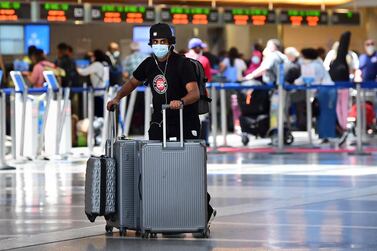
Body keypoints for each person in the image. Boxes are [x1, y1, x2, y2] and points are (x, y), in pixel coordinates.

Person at [107, 23, 215, 224]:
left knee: (188, 169)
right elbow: (132, 83)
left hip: (185, 121)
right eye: (155, 42)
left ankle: (204, 208)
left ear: (171, 43)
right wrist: (117, 98)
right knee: (158, 169)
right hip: (160, 121)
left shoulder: (182, 64)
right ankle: (165, 210)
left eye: (162, 42)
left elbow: (194, 92)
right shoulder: (148, 64)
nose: (159, 46)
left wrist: (180, 102)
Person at [294, 48, 334, 142]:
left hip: (325, 91)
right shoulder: (312, 64)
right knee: (321, 114)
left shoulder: (315, 65)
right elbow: (304, 78)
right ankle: (324, 136)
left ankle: (327, 136)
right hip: (321, 91)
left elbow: (312, 79)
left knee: (325, 114)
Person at [329, 31, 352, 146]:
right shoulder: (334, 61)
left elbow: (344, 45)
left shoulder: (342, 60)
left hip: (344, 87)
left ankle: (344, 127)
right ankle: (341, 128)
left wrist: (345, 36)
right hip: (335, 87)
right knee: (338, 108)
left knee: (343, 108)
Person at [77, 49, 108, 117]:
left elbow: (83, 72)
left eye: (92, 56)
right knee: (101, 115)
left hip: (98, 94)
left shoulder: (96, 65)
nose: (91, 58)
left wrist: (76, 68)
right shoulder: (103, 64)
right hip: (102, 93)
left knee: (97, 115)